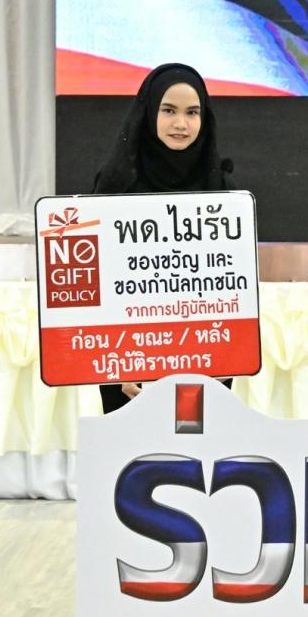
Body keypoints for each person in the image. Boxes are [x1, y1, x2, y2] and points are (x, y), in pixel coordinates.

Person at [91, 62, 232, 412]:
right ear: (149, 111)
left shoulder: (221, 189)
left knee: (196, 442)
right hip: (126, 362)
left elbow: (230, 284)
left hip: (205, 357)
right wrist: (120, 361)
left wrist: (223, 359)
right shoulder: (116, 184)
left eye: (192, 112)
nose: (181, 123)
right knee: (133, 445)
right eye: (168, 110)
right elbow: (101, 282)